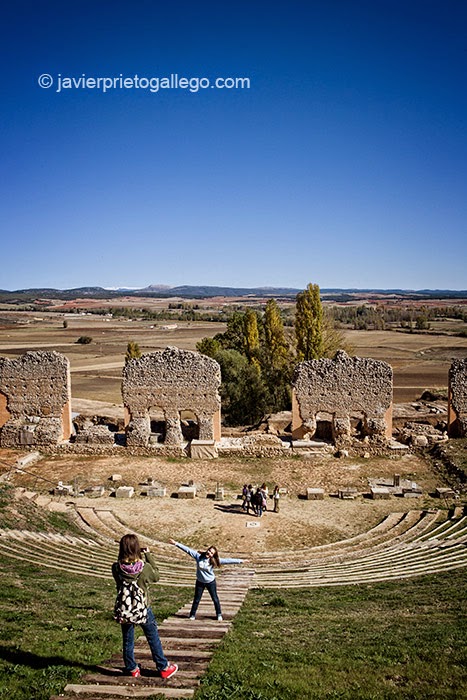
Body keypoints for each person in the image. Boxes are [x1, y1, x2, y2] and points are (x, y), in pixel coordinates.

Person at [112, 534, 178, 680]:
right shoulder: (144, 567)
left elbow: (118, 584)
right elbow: (156, 576)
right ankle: (163, 667)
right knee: (152, 637)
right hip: (143, 607)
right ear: (137, 548)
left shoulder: (116, 567)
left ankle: (131, 668)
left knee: (128, 639)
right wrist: (148, 555)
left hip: (126, 609)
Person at [168, 539, 244, 620]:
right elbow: (188, 550)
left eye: (211, 553)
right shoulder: (198, 557)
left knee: (215, 599)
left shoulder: (214, 561)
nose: (209, 553)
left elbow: (228, 561)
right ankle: (192, 615)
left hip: (210, 582)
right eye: (209, 551)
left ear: (213, 555)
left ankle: (219, 614)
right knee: (197, 599)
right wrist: (176, 543)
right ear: (207, 550)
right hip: (200, 582)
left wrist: (241, 561)